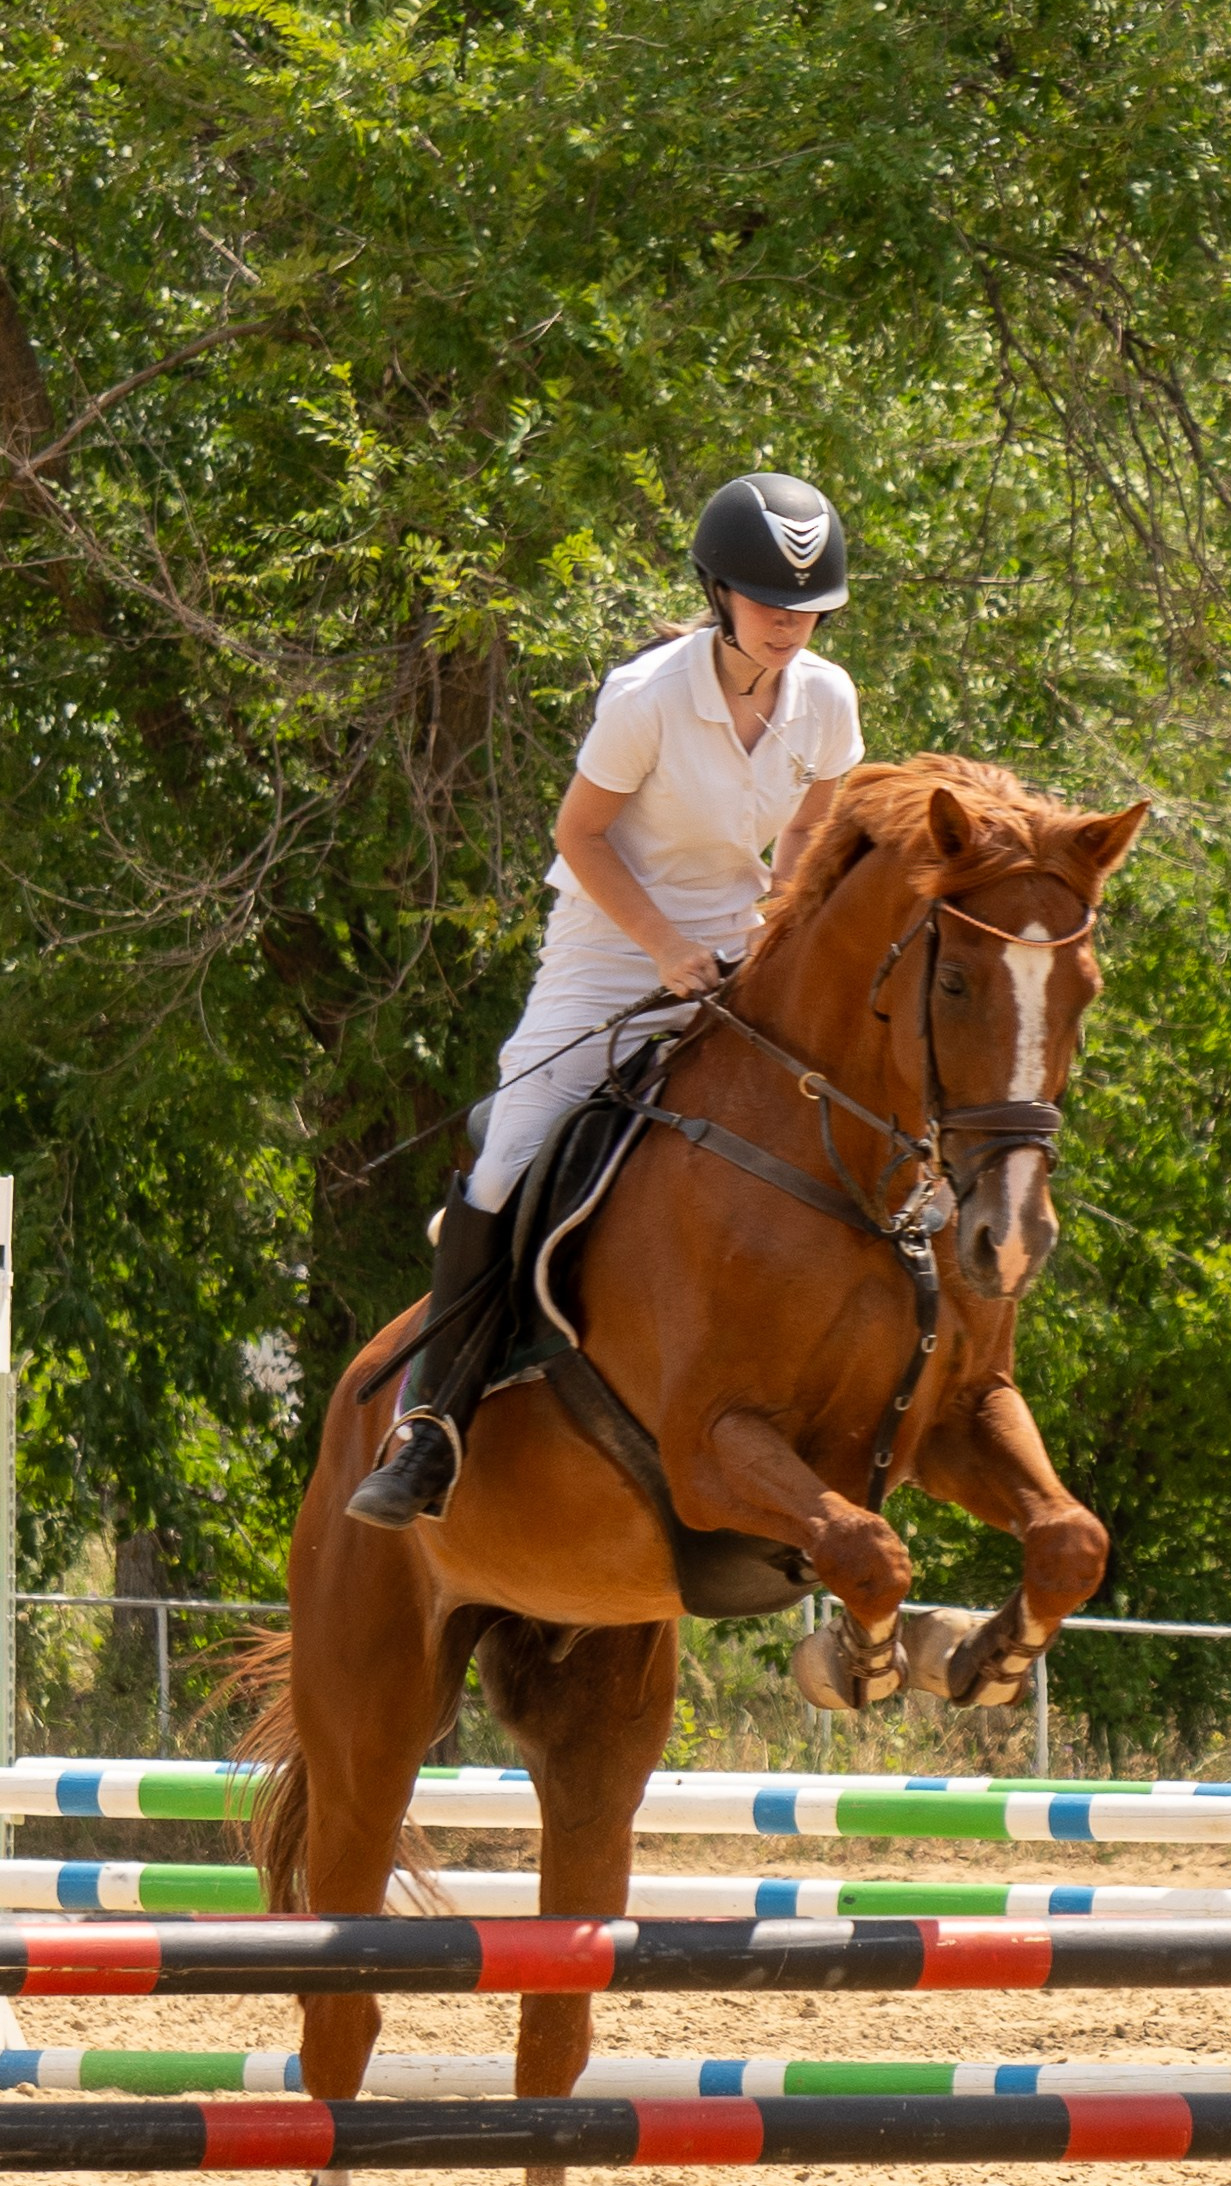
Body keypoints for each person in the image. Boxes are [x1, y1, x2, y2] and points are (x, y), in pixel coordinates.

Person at [349, 470, 863, 1528]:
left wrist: (781, 909)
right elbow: (578, 838)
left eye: (809, 611)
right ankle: (432, 1425)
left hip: (740, 947)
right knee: (508, 1155)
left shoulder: (828, 698)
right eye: (773, 606)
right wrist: (668, 948)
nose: (792, 627)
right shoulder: (648, 699)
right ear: (720, 594)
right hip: (610, 952)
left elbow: (815, 822)